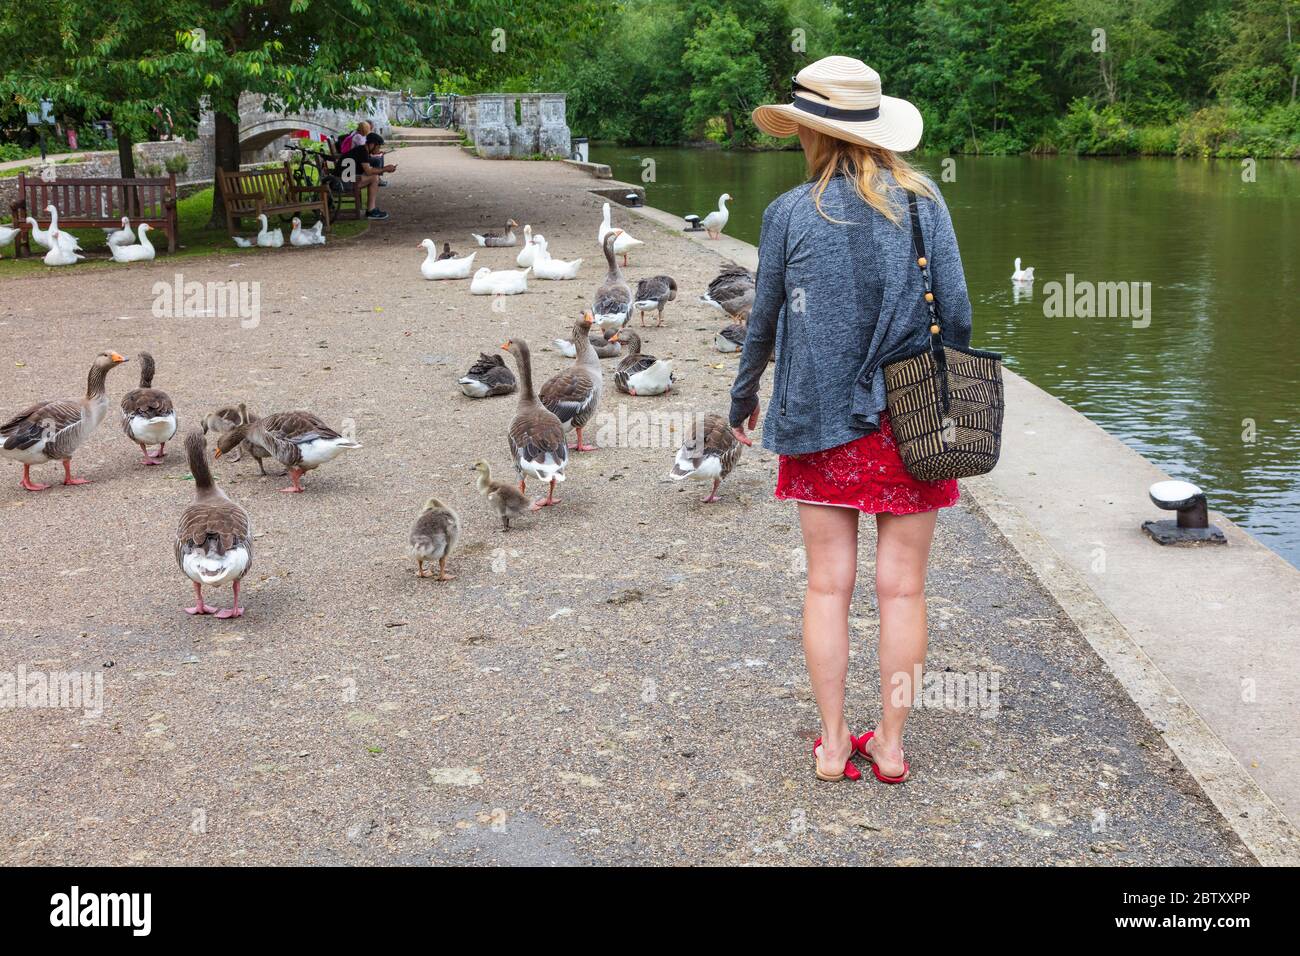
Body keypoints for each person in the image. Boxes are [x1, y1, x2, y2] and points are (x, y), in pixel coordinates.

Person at [730, 56, 972, 785]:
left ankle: (834, 745)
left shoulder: (788, 214)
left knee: (826, 586)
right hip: (911, 423)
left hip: (817, 419)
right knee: (903, 589)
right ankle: (890, 746)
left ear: (811, 133)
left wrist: (743, 398)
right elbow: (955, 315)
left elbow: (763, 321)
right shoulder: (926, 204)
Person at [336, 132, 395, 220]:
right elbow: (369, 171)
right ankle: (371, 211)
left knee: (374, 177)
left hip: (343, 181)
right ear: (372, 144)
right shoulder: (362, 151)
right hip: (342, 183)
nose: (378, 149)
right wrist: (385, 169)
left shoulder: (361, 150)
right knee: (374, 178)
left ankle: (371, 209)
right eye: (378, 146)